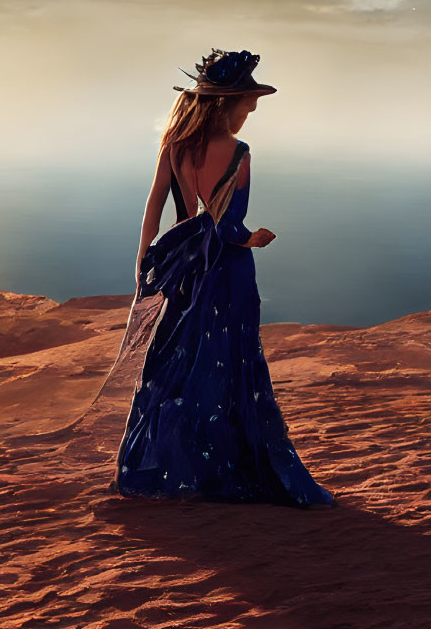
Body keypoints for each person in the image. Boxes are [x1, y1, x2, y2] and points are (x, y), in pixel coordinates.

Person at [111, 48, 335, 508]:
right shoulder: (239, 153)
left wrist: (143, 264)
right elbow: (227, 228)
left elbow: (155, 208)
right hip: (228, 271)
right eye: (246, 104)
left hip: (184, 269)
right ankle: (225, 467)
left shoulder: (174, 145)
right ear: (225, 104)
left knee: (177, 363)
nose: (250, 112)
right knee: (232, 364)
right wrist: (254, 238)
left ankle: (171, 464)